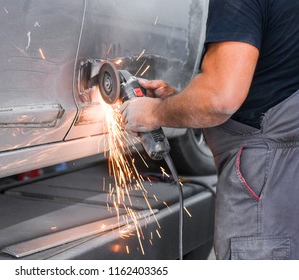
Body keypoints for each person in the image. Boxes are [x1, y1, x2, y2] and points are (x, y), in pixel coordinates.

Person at [121, 0, 299, 260]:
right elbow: (277, 75)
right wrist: (179, 102)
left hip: (269, 176)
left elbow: (220, 99)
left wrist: (152, 112)